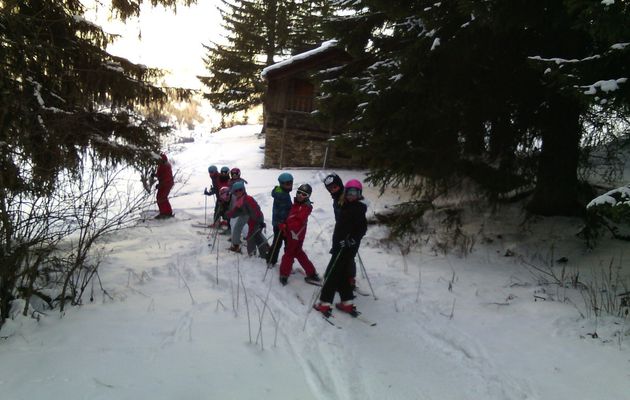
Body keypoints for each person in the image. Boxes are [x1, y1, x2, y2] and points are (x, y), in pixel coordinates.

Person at [314, 179, 367, 316]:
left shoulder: (358, 208)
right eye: (349, 192)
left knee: (331, 275)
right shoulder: (346, 205)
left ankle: (324, 304)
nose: (351, 195)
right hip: (340, 246)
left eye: (355, 192)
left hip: (345, 249)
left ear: (359, 194)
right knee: (343, 275)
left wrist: (350, 241)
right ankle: (347, 303)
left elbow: (361, 229)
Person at [277, 184, 321, 286]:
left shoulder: (304, 207)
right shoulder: (298, 204)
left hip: (295, 235)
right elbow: (291, 217)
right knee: (298, 252)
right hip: (295, 234)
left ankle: (284, 275)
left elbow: (297, 222)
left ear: (308, 196)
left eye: (304, 194)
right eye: (299, 193)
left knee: (289, 253)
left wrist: (285, 226)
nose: (300, 196)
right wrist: (285, 223)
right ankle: (311, 273)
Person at [324, 172, 358, 292]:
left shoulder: (346, 197)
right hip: (340, 230)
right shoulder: (336, 198)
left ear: (340, 185)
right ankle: (340, 277)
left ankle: (349, 279)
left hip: (350, 233)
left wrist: (351, 233)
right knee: (340, 254)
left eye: (335, 187)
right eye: (330, 189)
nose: (333, 190)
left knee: (348, 256)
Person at [225, 181, 269, 258]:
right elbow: (237, 211)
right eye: (236, 191)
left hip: (256, 220)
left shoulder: (248, 199)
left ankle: (255, 254)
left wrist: (260, 222)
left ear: (244, 190)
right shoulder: (240, 200)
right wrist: (229, 214)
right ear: (234, 192)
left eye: (240, 190)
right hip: (252, 221)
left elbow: (256, 210)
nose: (238, 192)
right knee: (256, 237)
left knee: (252, 237)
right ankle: (263, 252)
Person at [267, 172, 294, 267]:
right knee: (281, 243)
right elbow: (282, 211)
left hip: (279, 223)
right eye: (287, 184)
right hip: (282, 224)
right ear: (281, 184)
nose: (289, 185)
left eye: (290, 183)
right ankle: (272, 260)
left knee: (279, 242)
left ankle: (272, 259)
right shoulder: (283, 196)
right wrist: (283, 223)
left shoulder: (280, 191)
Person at [154, 153, 174, 219]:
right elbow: (161, 174)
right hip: (165, 184)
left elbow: (166, 178)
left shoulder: (165, 166)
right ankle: (167, 212)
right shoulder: (162, 165)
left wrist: (160, 184)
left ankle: (164, 213)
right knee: (162, 198)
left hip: (166, 184)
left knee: (161, 198)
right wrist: (155, 175)